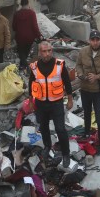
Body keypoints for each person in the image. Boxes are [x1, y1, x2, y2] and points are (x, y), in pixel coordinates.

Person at [29, 41, 74, 170]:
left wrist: (70, 100)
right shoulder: (34, 67)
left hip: (56, 103)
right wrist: (31, 102)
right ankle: (47, 146)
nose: (47, 53)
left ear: (52, 51)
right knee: (43, 128)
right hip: (41, 103)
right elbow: (31, 85)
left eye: (49, 50)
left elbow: (67, 82)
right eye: (44, 51)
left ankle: (66, 154)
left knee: (60, 129)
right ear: (39, 53)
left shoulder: (59, 65)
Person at [76, 29, 100, 152]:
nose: (94, 42)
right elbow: (78, 65)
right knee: (87, 113)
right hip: (85, 89)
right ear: (89, 40)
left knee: (99, 116)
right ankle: (86, 133)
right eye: (92, 40)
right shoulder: (83, 52)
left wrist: (97, 77)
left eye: (97, 40)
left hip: (98, 91)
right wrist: (81, 74)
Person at [12, 0, 42, 70]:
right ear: (28, 3)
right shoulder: (32, 13)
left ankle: (23, 66)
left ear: (21, 4)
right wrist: (39, 35)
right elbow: (35, 26)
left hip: (20, 37)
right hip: (30, 37)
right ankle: (25, 66)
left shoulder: (17, 14)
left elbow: (14, 26)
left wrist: (18, 30)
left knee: (21, 52)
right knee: (26, 52)